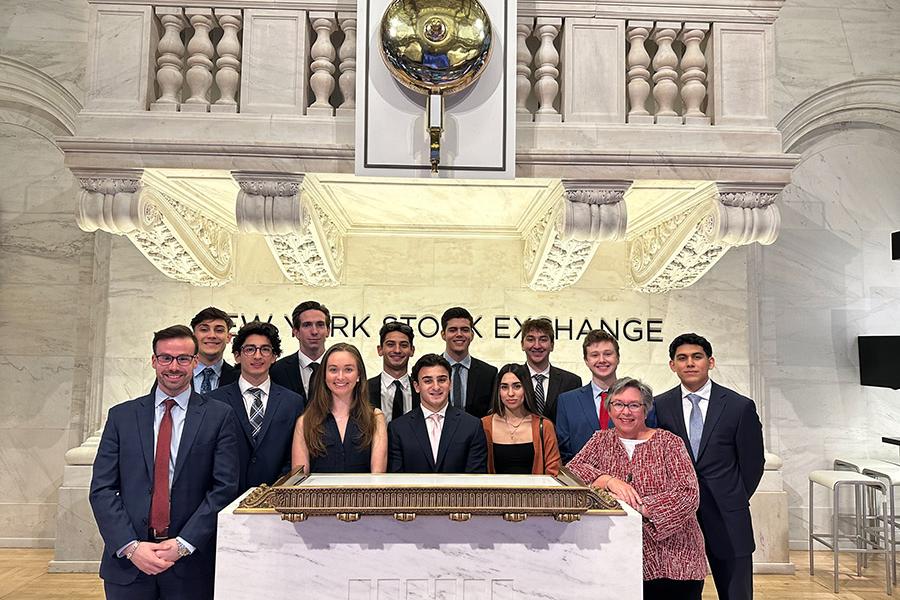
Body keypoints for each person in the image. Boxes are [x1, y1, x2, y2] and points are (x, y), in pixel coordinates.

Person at [90, 325, 239, 600]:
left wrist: (184, 544)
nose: (174, 366)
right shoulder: (122, 416)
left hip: (190, 564)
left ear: (195, 362)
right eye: (166, 358)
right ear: (154, 361)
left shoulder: (219, 416)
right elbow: (102, 489)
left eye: (183, 358)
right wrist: (131, 546)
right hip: (128, 565)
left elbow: (224, 488)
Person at [567, 377, 707, 600]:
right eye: (619, 404)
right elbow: (571, 471)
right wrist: (607, 480)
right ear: (609, 409)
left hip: (675, 560)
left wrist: (638, 506)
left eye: (634, 405)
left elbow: (688, 495)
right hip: (618, 560)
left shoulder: (669, 442)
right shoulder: (600, 440)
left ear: (645, 409)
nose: (626, 411)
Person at [653, 333, 764, 600]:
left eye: (697, 357)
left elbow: (752, 464)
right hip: (678, 520)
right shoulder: (659, 405)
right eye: (682, 358)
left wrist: (731, 496)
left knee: (735, 594)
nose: (689, 363)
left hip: (728, 516)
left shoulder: (739, 407)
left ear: (710, 362)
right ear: (672, 365)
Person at [207, 321, 305, 494]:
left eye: (265, 349)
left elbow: (294, 456)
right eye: (250, 349)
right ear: (237, 355)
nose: (257, 356)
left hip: (276, 500)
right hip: (225, 499)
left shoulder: (293, 402)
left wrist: (278, 491)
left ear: (274, 356)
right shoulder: (215, 401)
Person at [291, 343, 387, 473]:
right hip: (318, 494)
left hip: (363, 494)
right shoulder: (305, 422)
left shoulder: (375, 418)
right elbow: (299, 480)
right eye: (333, 370)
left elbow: (378, 477)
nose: (340, 377)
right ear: (324, 375)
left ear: (359, 375)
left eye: (348, 369)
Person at [388, 353, 488, 473]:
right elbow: (396, 480)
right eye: (428, 381)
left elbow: (475, 479)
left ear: (450, 383)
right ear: (416, 386)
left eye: (442, 380)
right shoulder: (398, 428)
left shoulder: (472, 426)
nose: (436, 387)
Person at [481, 363, 561, 475]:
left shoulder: (544, 426)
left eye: (517, 386)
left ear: (526, 388)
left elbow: (554, 471)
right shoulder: (484, 425)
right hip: (495, 492)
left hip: (537, 492)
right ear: (498, 391)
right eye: (504, 387)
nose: (510, 393)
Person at [556, 330, 622, 462]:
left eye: (608, 354)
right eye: (594, 355)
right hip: (581, 480)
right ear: (586, 360)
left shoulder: (637, 399)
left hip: (626, 480)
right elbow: (564, 450)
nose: (602, 360)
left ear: (618, 357)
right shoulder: (567, 401)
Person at [519, 317, 581, 423]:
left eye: (543, 339)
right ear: (522, 345)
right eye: (530, 339)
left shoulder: (571, 382)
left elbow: (575, 422)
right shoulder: (512, 378)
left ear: (552, 345)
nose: (537, 345)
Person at [440, 306, 497, 418]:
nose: (459, 334)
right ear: (443, 334)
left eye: (465, 330)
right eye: (453, 330)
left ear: (472, 335)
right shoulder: (427, 370)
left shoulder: (489, 373)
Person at [270, 301, 330, 401]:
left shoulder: (341, 369)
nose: (314, 331)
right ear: (296, 332)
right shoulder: (277, 370)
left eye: (320, 325)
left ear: (328, 331)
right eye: (307, 325)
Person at [368, 321, 420, 425]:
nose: (397, 350)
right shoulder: (363, 389)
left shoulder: (422, 391)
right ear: (380, 350)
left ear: (412, 350)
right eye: (390, 344)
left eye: (403, 345)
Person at [190, 307, 239, 392]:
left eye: (219, 330)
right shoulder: (177, 374)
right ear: (193, 337)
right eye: (204, 330)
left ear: (228, 337)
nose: (212, 335)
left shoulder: (240, 379)